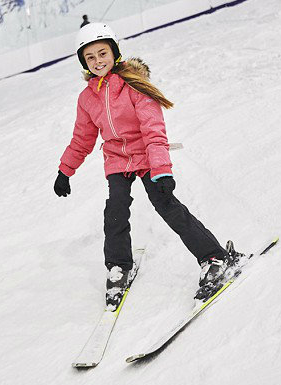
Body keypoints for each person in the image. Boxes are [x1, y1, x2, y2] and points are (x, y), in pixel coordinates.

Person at [54, 23, 246, 310]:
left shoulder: (133, 86)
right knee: (115, 211)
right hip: (118, 161)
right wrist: (64, 171)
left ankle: (215, 257)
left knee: (166, 204)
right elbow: (82, 139)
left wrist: (162, 170)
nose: (98, 61)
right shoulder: (87, 98)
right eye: (90, 57)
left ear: (115, 52)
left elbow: (154, 130)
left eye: (102, 53)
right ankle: (119, 266)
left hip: (147, 154)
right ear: (84, 63)